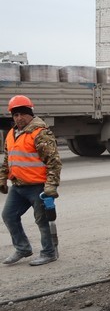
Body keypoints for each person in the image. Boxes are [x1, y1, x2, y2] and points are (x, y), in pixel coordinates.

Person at [1, 95, 62, 266]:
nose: (19, 118)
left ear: (30, 113)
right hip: (18, 185)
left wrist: (50, 186)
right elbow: (8, 159)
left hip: (38, 187)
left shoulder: (40, 133)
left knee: (42, 221)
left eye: (22, 114)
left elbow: (54, 162)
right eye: (15, 115)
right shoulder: (12, 134)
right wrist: (3, 178)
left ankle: (49, 253)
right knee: (9, 215)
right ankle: (23, 248)